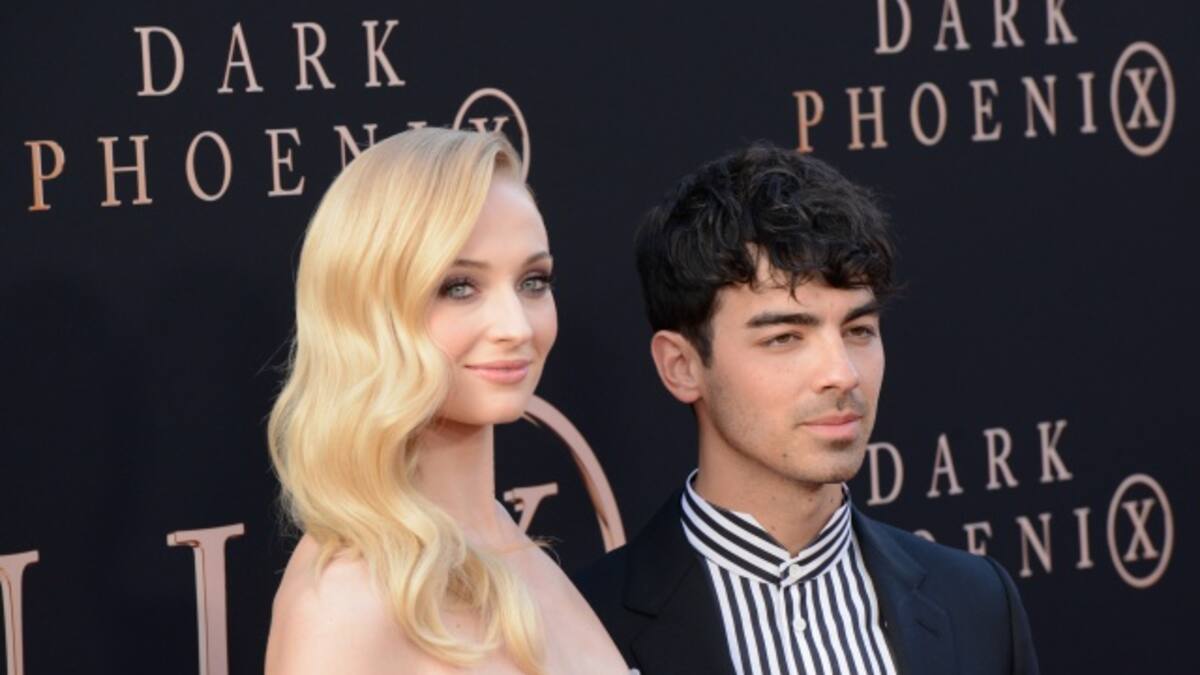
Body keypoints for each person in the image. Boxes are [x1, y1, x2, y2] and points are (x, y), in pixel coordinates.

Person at [576, 144, 1038, 674]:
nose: (842, 373)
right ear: (681, 366)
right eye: (784, 338)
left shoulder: (977, 603)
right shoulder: (581, 627)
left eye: (858, 330)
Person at [264, 128, 629, 675]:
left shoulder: (511, 543)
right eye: (459, 287)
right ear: (367, 310)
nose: (515, 326)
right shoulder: (346, 603)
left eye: (533, 281)